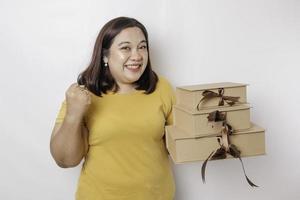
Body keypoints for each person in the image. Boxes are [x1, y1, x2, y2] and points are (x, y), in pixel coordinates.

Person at [50, 16, 176, 200]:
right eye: (126, 48)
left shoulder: (161, 88)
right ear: (105, 55)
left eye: (142, 47)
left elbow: (182, 143)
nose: (137, 55)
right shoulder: (82, 95)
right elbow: (65, 160)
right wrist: (73, 114)